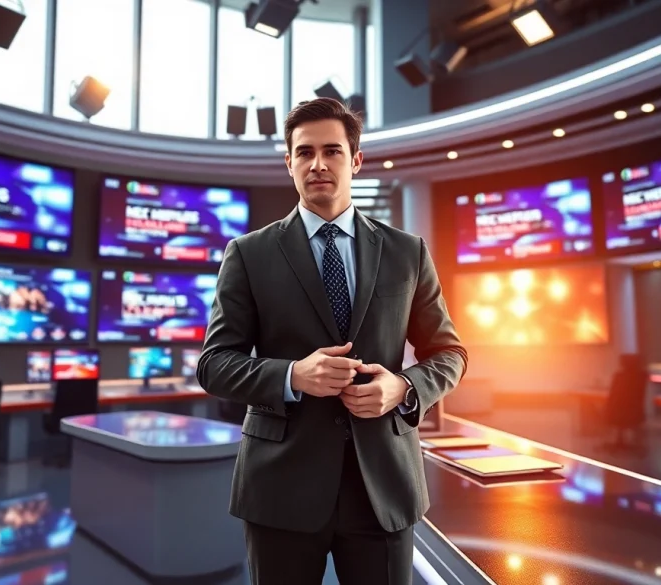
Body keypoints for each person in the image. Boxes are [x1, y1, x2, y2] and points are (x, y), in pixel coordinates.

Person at [197, 97, 468, 585]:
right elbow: (214, 364)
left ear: (355, 160)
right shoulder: (248, 254)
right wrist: (292, 375)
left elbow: (449, 354)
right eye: (304, 153)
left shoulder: (407, 253)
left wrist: (403, 389)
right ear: (289, 163)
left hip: (382, 486)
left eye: (332, 151)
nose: (317, 164)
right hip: (281, 485)